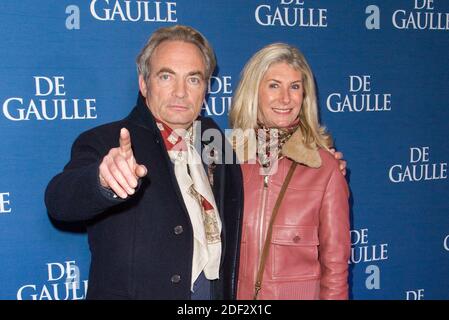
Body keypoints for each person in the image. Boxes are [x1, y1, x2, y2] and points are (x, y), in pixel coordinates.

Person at [45, 25, 244, 300]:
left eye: (193, 79)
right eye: (166, 76)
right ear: (143, 83)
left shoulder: (214, 141)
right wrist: (103, 181)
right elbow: (60, 200)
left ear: (206, 89)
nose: (180, 92)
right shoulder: (106, 141)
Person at [230, 43, 350, 300]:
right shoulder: (225, 157)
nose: (285, 98)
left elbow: (335, 267)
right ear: (254, 91)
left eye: (294, 87)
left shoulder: (324, 167)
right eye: (274, 85)